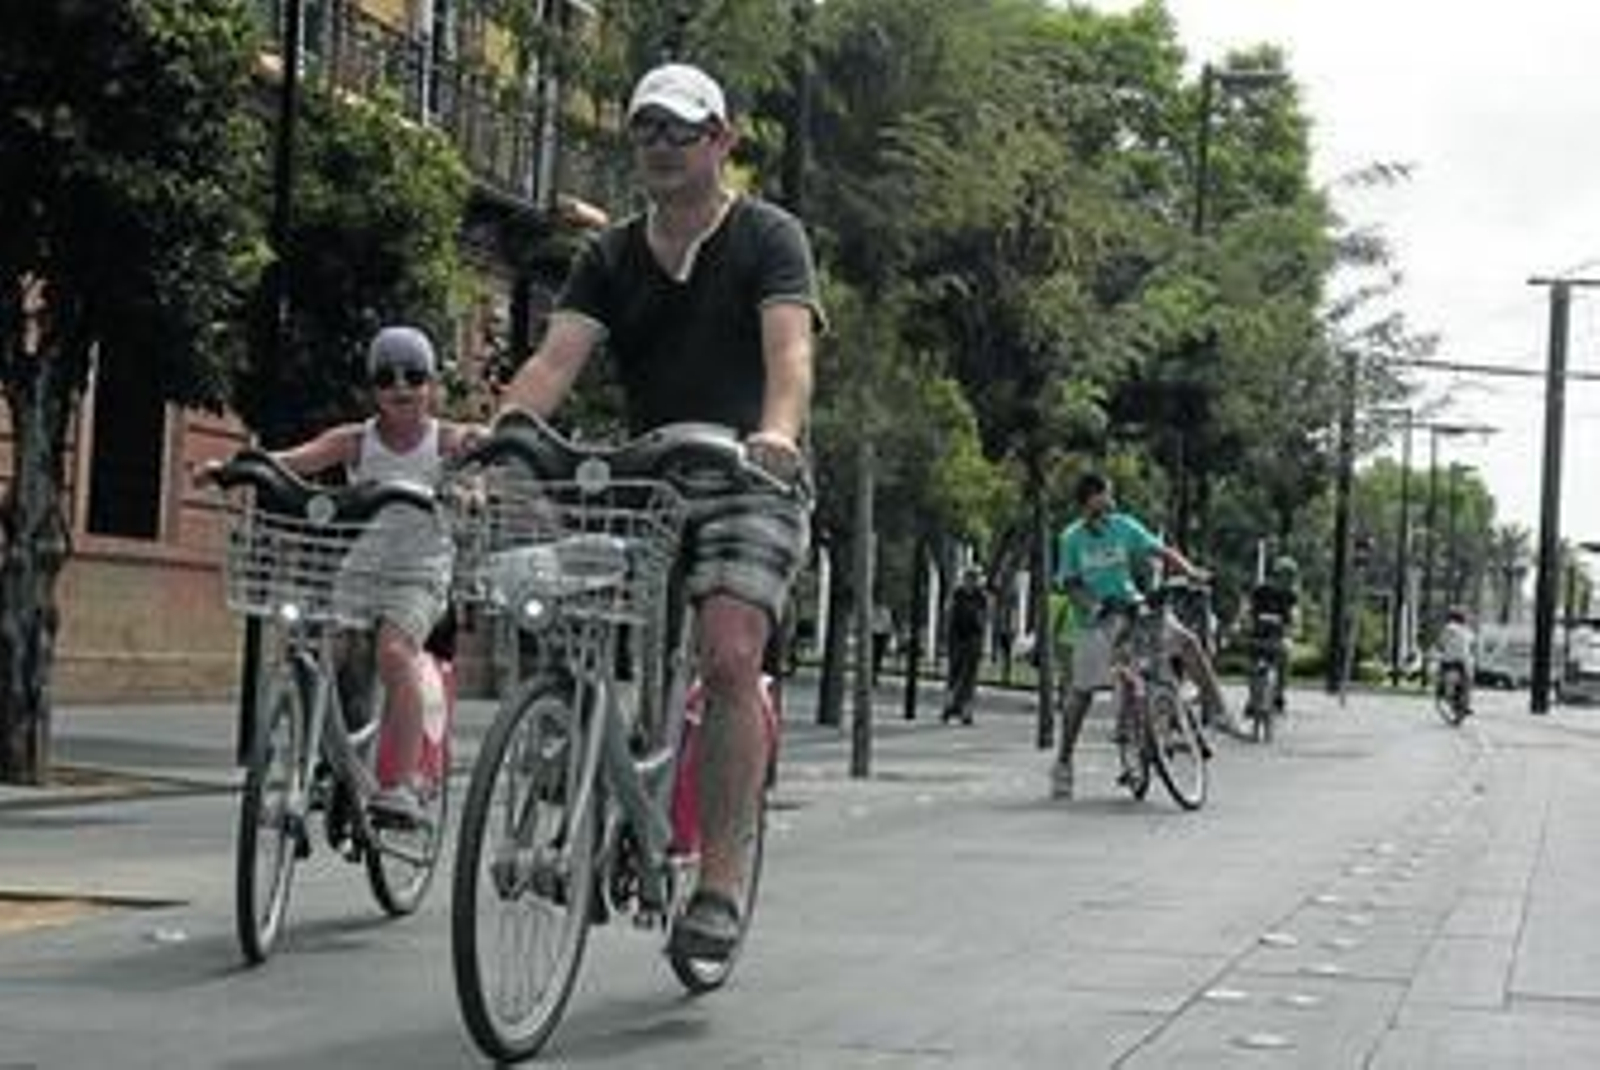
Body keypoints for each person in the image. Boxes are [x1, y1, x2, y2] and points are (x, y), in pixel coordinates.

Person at [496, 62, 822, 961]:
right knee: (549, 595)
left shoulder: (768, 236)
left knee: (726, 654)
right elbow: (555, 364)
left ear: (722, 141)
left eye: (682, 130)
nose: (663, 147)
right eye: (646, 130)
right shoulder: (610, 255)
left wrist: (778, 433)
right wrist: (503, 436)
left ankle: (716, 884)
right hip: (647, 475)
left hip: (748, 473)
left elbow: (789, 353)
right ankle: (577, 744)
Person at [262, 325, 473, 825]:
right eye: (386, 377)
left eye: (415, 376)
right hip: (364, 568)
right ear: (372, 389)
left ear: (433, 385)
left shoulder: (447, 440)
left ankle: (396, 786)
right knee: (322, 652)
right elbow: (293, 460)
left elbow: (482, 454)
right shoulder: (357, 441)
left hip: (420, 573)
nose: (401, 388)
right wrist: (235, 467)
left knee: (394, 654)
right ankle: (319, 763)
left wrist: (472, 486)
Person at [1049, 472, 1235, 799]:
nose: (1112, 500)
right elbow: (1069, 582)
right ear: (1090, 499)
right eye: (1106, 495)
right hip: (1096, 621)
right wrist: (1091, 606)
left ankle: (1217, 710)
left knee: (1186, 642)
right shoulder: (1071, 538)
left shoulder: (1123, 526)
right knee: (1081, 694)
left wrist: (1191, 572)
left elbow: (1161, 552)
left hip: (1133, 608)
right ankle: (1064, 762)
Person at [1247, 555, 1300, 713]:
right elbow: (1248, 610)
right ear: (1276, 574)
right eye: (1284, 574)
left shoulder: (1291, 595)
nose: (1287, 579)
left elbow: (1294, 615)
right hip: (1260, 636)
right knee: (1254, 664)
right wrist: (1244, 623)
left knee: (1283, 657)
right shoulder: (1260, 590)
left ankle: (1278, 695)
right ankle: (1253, 699)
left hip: (1276, 637)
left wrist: (1293, 627)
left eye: (1290, 575)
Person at [942, 568, 988, 725]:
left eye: (974, 579)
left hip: (973, 639)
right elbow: (949, 613)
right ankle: (949, 705)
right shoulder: (957, 593)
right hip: (957, 638)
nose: (971, 581)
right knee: (954, 673)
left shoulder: (981, 597)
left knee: (969, 677)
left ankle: (966, 711)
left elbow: (983, 618)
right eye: (969, 578)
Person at [1434, 606, 1476, 715]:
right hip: (1464, 661)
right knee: (1468, 682)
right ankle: (1465, 704)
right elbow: (1472, 644)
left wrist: (1439, 648)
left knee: (1441, 672)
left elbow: (1441, 642)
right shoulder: (1467, 630)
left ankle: (1441, 690)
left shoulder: (1449, 628)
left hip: (1449, 659)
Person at [871, 602, 894, 684]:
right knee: (874, 658)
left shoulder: (886, 611)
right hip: (874, 635)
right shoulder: (872, 610)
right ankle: (873, 676)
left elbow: (889, 625)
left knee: (877, 658)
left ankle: (874, 676)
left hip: (880, 636)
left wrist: (888, 637)